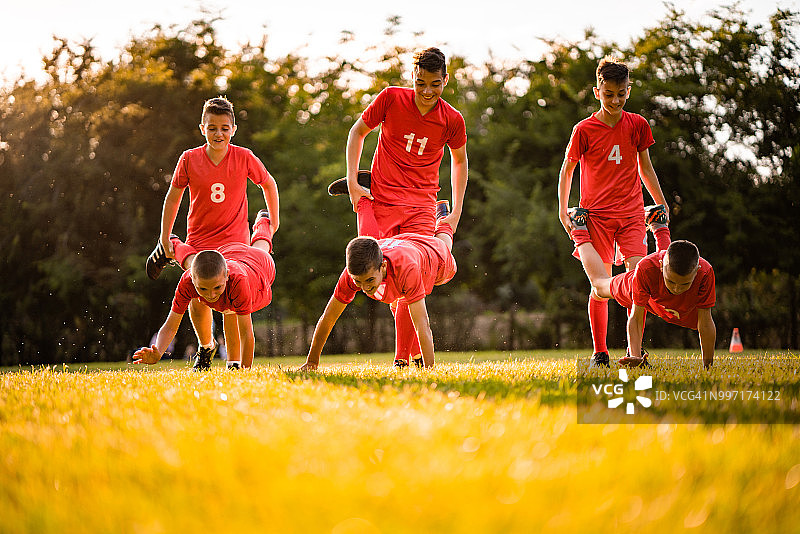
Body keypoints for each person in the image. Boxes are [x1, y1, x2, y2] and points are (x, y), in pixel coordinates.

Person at [331, 47, 469, 367]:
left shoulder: (452, 119)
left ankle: (401, 362)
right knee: (386, 285)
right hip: (384, 201)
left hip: (421, 206)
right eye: (421, 82)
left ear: (445, 80)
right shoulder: (392, 98)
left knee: (410, 285)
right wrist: (353, 181)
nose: (427, 91)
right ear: (412, 77)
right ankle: (363, 195)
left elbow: (460, 161)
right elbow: (357, 133)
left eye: (435, 84)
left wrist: (458, 209)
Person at [144, 96, 280, 365]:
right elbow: (173, 197)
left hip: (235, 242)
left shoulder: (243, 157)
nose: (219, 133)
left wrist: (274, 221)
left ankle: (234, 363)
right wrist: (162, 234)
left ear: (233, 129)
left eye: (224, 128)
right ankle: (205, 347)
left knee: (231, 304)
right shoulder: (189, 159)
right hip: (200, 239)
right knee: (198, 296)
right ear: (202, 128)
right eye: (212, 127)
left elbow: (268, 183)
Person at [557, 56, 670, 367]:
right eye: (609, 94)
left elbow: (645, 167)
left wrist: (660, 201)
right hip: (596, 218)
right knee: (602, 288)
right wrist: (562, 211)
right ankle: (600, 352)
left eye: (622, 94)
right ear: (597, 92)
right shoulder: (584, 130)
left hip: (632, 215)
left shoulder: (637, 125)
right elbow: (567, 171)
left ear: (628, 91)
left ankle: (635, 354)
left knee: (639, 284)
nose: (616, 100)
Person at [300, 203, 456, 370]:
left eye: (369, 281)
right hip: (401, 243)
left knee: (444, 245)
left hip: (434, 258)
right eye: (358, 282)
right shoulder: (352, 274)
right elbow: (328, 318)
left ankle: (443, 221)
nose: (364, 288)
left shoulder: (407, 269)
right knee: (397, 302)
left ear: (382, 266)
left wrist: (429, 370)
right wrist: (312, 362)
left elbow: (421, 324)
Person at [569, 208, 716, 369]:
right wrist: (635, 356)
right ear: (661, 267)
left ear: (696, 272)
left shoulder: (705, 273)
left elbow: (706, 323)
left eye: (684, 284)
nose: (676, 288)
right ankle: (579, 230)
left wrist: (707, 367)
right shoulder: (646, 269)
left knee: (665, 258)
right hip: (639, 286)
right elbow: (636, 318)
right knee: (598, 285)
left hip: (661, 295)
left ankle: (658, 224)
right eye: (671, 281)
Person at [134, 211, 276, 370]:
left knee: (261, 247)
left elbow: (246, 334)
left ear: (226, 276)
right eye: (203, 289)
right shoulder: (187, 281)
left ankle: (263, 223)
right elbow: (171, 324)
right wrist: (158, 351)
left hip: (258, 266)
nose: (211, 295)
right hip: (228, 252)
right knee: (227, 308)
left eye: (217, 287)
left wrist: (244, 370)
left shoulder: (238, 282)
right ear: (192, 279)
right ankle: (175, 244)